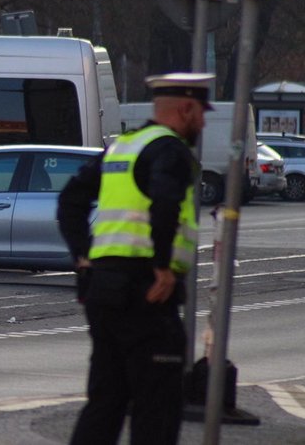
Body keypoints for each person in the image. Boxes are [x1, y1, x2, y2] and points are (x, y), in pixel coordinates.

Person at [57, 72, 212, 445]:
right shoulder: (171, 150)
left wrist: (82, 257)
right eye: (202, 113)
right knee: (156, 407)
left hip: (104, 291)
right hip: (145, 294)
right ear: (186, 108)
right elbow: (164, 201)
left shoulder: (121, 148)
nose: (204, 122)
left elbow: (70, 201)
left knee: (105, 403)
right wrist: (162, 266)